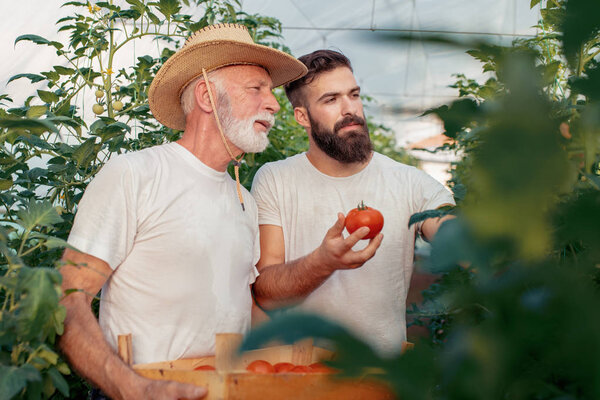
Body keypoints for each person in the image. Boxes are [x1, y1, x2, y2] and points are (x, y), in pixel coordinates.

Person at [58, 23, 307, 400]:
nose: (273, 104)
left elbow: (240, 304)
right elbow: (67, 299)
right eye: (256, 89)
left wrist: (298, 356)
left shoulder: (245, 198)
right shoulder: (135, 175)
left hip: (226, 389)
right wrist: (130, 387)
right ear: (207, 96)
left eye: (270, 93)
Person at [250, 49, 454, 356]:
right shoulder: (276, 180)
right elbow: (266, 292)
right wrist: (322, 262)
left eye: (354, 94)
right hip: (299, 373)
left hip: (380, 374)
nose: (350, 109)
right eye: (331, 100)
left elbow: (456, 235)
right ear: (302, 116)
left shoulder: (410, 183)